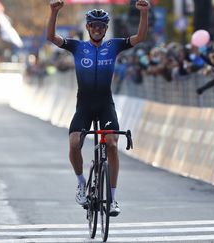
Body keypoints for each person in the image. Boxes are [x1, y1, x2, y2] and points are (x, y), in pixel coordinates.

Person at [47, 0, 150, 216]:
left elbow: (140, 38)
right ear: (87, 27)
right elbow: (51, 38)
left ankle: (112, 199)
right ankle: (81, 183)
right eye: (93, 25)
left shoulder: (113, 46)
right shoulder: (77, 46)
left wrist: (144, 13)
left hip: (105, 103)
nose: (97, 29)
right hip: (84, 104)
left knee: (112, 144)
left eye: (101, 26)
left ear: (105, 28)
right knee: (74, 143)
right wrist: (54, 12)